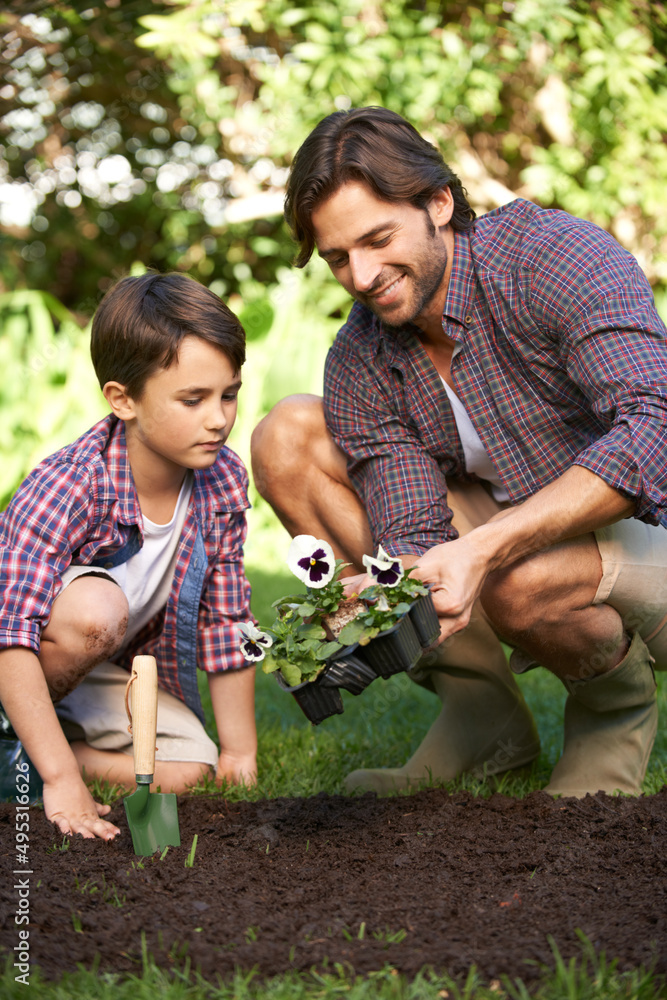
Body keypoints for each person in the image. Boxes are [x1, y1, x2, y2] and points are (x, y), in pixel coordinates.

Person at [251, 106, 667, 798]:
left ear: (438, 202)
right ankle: (482, 719)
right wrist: (379, 596)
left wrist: (486, 549)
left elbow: (654, 428)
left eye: (377, 239)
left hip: (649, 534)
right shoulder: (362, 354)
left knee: (517, 575)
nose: (359, 276)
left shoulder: (550, 258)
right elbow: (412, 532)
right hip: (530, 546)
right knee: (287, 435)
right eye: (336, 259)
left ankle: (611, 715)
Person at [0, 272, 257, 841]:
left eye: (229, 393)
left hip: (94, 675)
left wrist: (239, 751)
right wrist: (63, 780)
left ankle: (34, 754)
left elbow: (225, 621)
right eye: (193, 399)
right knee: (96, 608)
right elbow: (9, 633)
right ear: (123, 399)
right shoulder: (68, 484)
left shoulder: (222, 480)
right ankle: (38, 757)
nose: (219, 418)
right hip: (18, 662)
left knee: (192, 769)